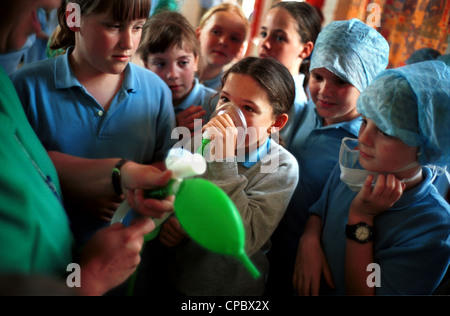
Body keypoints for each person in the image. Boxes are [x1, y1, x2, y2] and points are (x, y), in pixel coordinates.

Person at [0, 0, 174, 296]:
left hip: (128, 264)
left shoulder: (156, 91)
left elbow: (165, 163)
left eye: (138, 27)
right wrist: (77, 191)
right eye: (112, 26)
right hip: (52, 275)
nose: (128, 42)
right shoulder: (24, 87)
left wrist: (137, 191)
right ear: (73, 18)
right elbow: (28, 169)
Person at [293, 60, 450, 295]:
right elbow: (320, 210)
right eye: (365, 121)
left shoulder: (433, 227)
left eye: (385, 131)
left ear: (425, 142)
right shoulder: (355, 164)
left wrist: (361, 219)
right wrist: (309, 238)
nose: (363, 139)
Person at [265, 18, 390, 295]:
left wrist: (311, 235)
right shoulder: (302, 112)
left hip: (315, 269)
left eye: (341, 81)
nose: (324, 91)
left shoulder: (365, 146)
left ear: (368, 85)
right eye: (317, 77)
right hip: (269, 247)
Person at [157, 57, 299, 295]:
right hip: (180, 279)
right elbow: (175, 194)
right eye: (225, 99)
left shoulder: (280, 167)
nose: (229, 115)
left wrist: (223, 161)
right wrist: (171, 223)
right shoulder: (198, 141)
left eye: (248, 108)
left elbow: (245, 239)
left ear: (276, 123)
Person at [139, 11, 218, 134]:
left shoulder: (215, 104)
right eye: (160, 64)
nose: (173, 75)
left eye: (183, 63)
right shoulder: (138, 104)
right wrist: (170, 129)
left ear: (196, 61)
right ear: (146, 66)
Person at [257, 1, 322, 147]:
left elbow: (268, 161)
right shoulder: (259, 85)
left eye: (279, 38)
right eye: (263, 33)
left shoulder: (291, 103)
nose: (265, 43)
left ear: (305, 49)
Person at [196, 2, 249, 90]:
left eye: (233, 39)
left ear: (240, 50)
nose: (223, 41)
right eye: (216, 32)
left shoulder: (230, 93)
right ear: (198, 34)